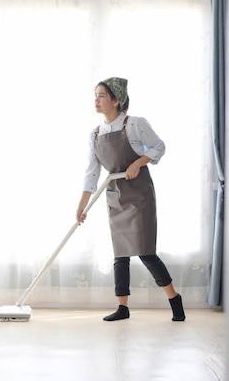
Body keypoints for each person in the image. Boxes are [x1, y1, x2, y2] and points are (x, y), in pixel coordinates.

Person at [76, 77, 185, 322]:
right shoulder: (94, 135)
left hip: (140, 194)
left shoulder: (135, 124)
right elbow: (91, 173)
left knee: (145, 252)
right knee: (120, 254)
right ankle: (122, 308)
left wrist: (138, 162)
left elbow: (158, 147)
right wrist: (81, 206)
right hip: (115, 193)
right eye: (95, 95)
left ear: (116, 100)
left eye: (101, 95)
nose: (96, 100)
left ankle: (174, 299)